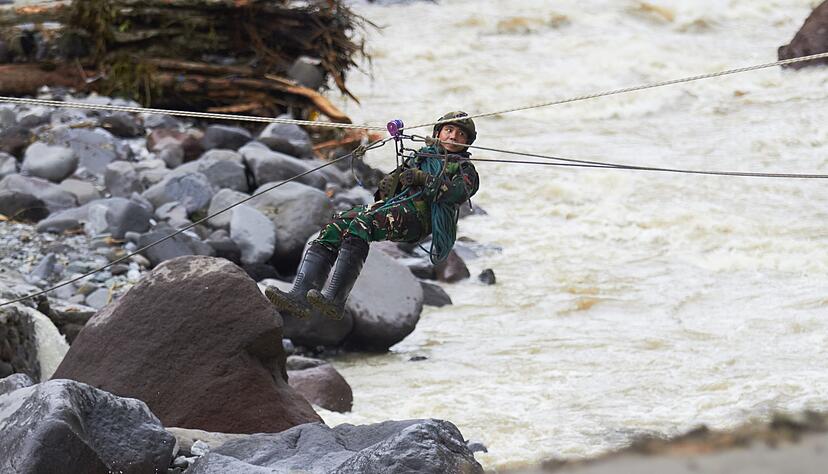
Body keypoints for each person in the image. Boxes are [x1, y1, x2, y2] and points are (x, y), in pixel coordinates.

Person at [265, 111, 480, 321]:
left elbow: (455, 193)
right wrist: (390, 183)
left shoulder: (465, 171)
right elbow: (386, 193)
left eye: (461, 134)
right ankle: (299, 296)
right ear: (438, 132)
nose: (453, 136)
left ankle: (335, 300)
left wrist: (423, 178)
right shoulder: (419, 158)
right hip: (397, 209)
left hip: (419, 220)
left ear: (467, 142)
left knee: (362, 223)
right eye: (448, 130)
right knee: (337, 223)